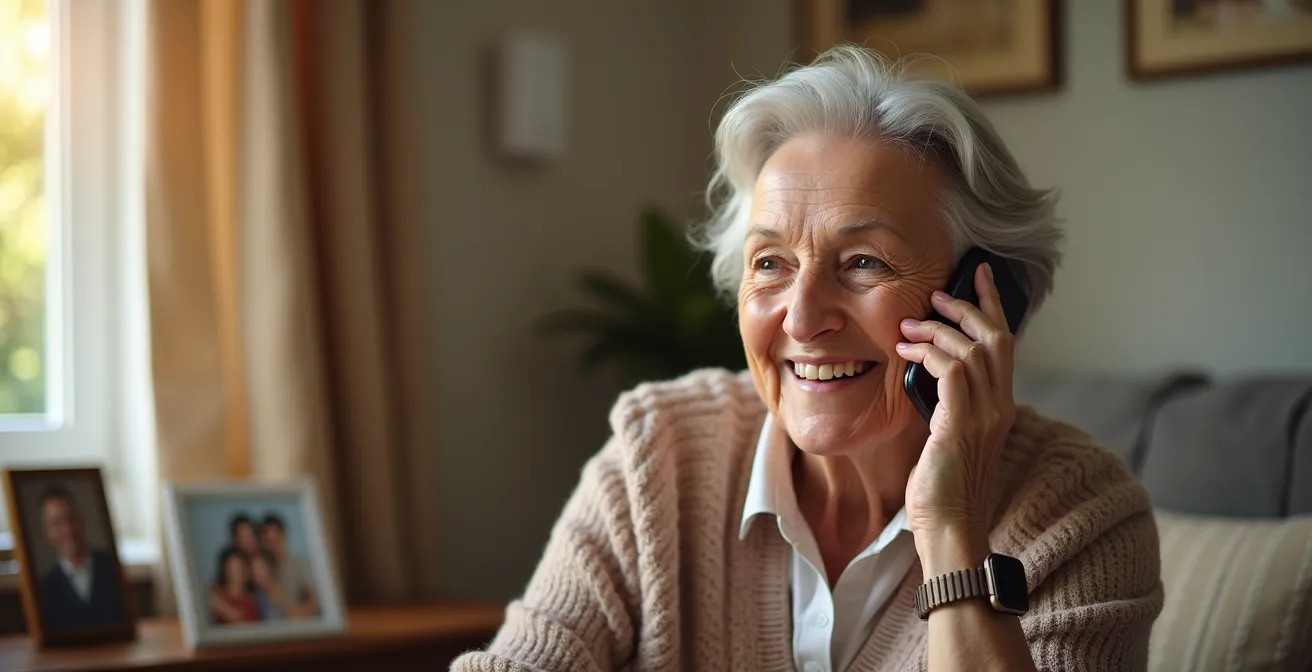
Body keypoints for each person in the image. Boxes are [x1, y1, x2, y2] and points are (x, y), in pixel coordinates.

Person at [453, 46, 1162, 671]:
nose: (800, 316)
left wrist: (952, 530)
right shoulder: (659, 458)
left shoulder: (1081, 518)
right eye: (770, 263)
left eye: (862, 262)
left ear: (983, 299)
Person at [35, 486, 126, 632]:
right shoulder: (45, 588)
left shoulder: (112, 568)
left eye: (71, 519)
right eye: (57, 524)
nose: (68, 530)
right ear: (47, 533)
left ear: (81, 520)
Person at [260, 513, 319, 618]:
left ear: (284, 537)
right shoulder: (264, 569)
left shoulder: (300, 564)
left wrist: (295, 613)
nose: (273, 546)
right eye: (268, 541)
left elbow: (314, 603)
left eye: (275, 539)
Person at [209, 546, 258, 624]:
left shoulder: (250, 601)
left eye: (239, 567)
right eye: (232, 567)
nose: (236, 572)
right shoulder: (217, 592)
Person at [248, 549, 291, 622]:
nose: (256, 572)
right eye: (253, 569)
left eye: (259, 568)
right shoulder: (257, 595)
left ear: (269, 567)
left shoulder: (279, 590)